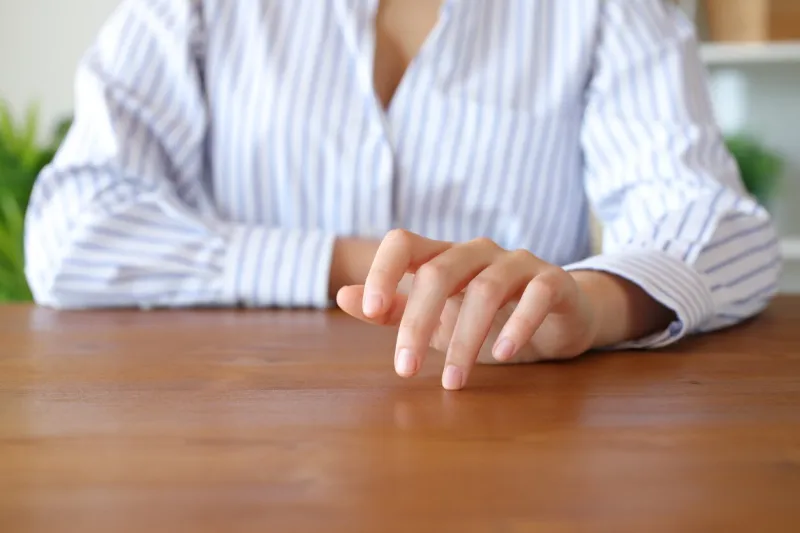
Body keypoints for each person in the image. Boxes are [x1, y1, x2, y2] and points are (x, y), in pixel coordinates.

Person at [25, 0, 781, 390]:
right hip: (242, 447)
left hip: (512, 433)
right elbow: (69, 232)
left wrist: (590, 303)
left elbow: (718, 224)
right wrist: (353, 265)